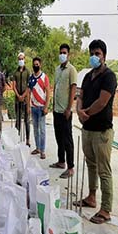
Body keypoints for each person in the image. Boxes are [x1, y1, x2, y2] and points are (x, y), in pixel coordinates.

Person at [73, 40, 117, 225]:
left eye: (97, 53)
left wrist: (85, 113)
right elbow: (80, 96)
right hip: (87, 129)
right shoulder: (87, 76)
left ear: (104, 56)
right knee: (90, 165)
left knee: (103, 170)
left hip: (101, 131)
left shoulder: (109, 77)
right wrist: (78, 110)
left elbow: (102, 101)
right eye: (92, 53)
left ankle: (106, 209)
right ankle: (91, 197)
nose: (94, 56)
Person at [51, 44, 77, 179]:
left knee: (67, 140)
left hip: (65, 111)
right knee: (58, 137)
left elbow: (73, 89)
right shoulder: (57, 70)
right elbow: (55, 87)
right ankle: (61, 161)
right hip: (56, 110)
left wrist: (69, 108)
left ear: (68, 54)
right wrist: (53, 104)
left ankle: (70, 167)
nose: (62, 54)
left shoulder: (71, 70)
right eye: (60, 52)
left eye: (64, 52)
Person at [28, 57, 50, 159]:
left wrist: (46, 106)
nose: (35, 66)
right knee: (36, 129)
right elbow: (29, 92)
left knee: (42, 130)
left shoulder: (44, 77)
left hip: (41, 107)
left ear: (40, 65)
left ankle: (43, 150)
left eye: (37, 64)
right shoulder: (31, 77)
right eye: (34, 64)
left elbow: (48, 92)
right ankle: (37, 148)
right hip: (33, 107)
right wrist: (28, 106)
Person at [12, 52, 31, 146]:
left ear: (25, 59)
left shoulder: (27, 72)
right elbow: (13, 86)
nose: (21, 60)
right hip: (17, 98)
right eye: (19, 59)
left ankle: (27, 139)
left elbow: (29, 86)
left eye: (22, 59)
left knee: (26, 120)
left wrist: (23, 96)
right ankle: (17, 137)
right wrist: (18, 96)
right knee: (18, 119)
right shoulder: (15, 72)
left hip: (25, 98)